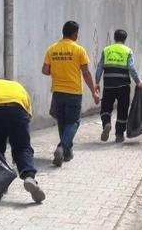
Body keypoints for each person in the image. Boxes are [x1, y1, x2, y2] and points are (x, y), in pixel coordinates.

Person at [0, 79, 45, 203]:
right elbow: (28, 116)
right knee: (22, 147)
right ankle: (29, 176)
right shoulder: (19, 87)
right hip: (18, 108)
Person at [42, 20, 99, 166]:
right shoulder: (79, 50)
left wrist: (58, 70)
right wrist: (94, 92)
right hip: (73, 92)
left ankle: (67, 152)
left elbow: (45, 70)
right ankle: (61, 147)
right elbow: (86, 73)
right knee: (73, 122)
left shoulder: (52, 49)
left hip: (57, 92)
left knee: (62, 121)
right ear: (74, 34)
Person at [95, 29, 142, 143]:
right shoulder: (128, 51)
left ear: (114, 37)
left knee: (106, 107)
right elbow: (132, 68)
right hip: (123, 85)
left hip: (108, 84)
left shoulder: (106, 50)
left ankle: (106, 123)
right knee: (123, 109)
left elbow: (100, 67)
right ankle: (119, 135)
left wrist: (97, 82)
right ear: (125, 39)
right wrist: (138, 82)